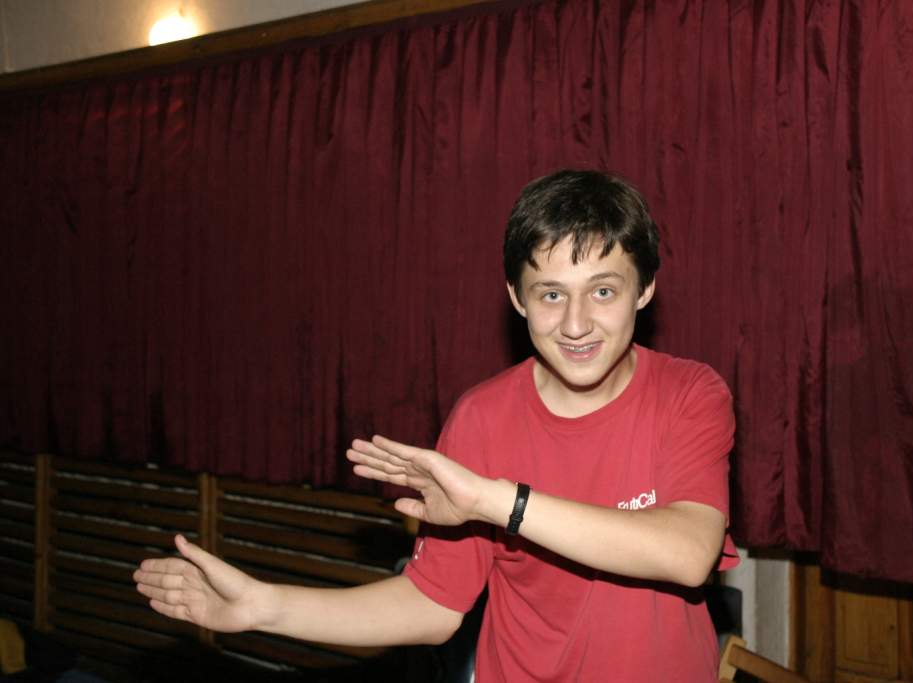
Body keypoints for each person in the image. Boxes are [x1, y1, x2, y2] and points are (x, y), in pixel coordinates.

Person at [134, 169, 738, 682]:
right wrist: (264, 607)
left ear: (645, 289)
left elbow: (687, 554)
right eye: (551, 295)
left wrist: (494, 501)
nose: (576, 324)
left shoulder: (689, 393)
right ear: (517, 298)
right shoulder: (482, 417)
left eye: (602, 291)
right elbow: (432, 605)